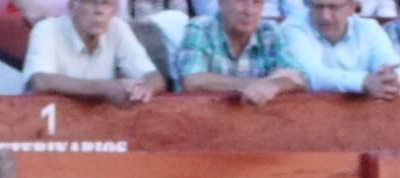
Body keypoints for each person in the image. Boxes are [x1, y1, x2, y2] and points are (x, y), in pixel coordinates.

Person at [22, 0, 167, 104]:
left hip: (99, 129)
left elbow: (153, 76)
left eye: (106, 3)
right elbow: (40, 81)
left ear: (114, 11)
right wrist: (105, 88)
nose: (99, 11)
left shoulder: (118, 28)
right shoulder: (47, 29)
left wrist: (144, 89)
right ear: (72, 7)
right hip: (46, 128)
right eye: (91, 2)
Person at [175, 0, 306, 105]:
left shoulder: (269, 30)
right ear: (221, 3)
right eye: (241, 1)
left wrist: (272, 85)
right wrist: (258, 84)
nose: (249, 11)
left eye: (257, 2)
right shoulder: (200, 28)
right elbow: (192, 80)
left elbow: (299, 77)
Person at [281, 0, 400, 96]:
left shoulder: (369, 29)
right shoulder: (293, 28)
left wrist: (391, 78)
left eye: (333, 7)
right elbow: (307, 75)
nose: (325, 16)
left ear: (352, 7)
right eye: (318, 7)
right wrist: (363, 82)